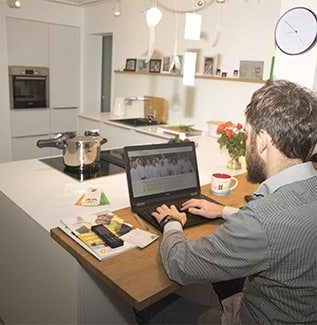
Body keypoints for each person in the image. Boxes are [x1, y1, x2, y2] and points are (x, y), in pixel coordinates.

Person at [136, 79, 317, 324]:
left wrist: (171, 222)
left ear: (263, 139)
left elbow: (180, 265)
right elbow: (280, 227)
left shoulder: (261, 220)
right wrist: (224, 211)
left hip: (257, 318)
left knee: (146, 304)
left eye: (247, 134)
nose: (245, 143)